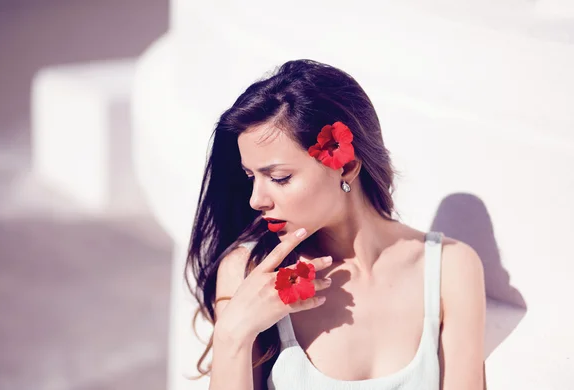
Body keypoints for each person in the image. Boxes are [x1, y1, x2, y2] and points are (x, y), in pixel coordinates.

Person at [186, 59, 486, 390]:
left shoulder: (450, 269)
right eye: (250, 177)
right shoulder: (249, 271)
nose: (256, 200)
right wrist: (233, 334)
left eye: (279, 177)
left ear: (346, 167)